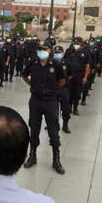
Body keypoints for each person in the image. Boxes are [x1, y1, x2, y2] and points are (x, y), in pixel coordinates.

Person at [22, 44, 66, 174]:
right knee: (34, 129)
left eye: (44, 50)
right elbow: (24, 76)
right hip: (35, 100)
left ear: (49, 51)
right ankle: (32, 156)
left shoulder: (56, 65)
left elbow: (62, 81)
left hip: (51, 102)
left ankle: (56, 159)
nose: (42, 53)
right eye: (39, 50)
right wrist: (33, 85)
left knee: (53, 130)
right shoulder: (32, 63)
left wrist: (53, 91)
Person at [53, 46, 73, 133]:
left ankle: (65, 125)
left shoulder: (67, 63)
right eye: (56, 53)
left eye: (59, 52)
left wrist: (65, 82)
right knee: (52, 109)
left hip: (64, 89)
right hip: (53, 89)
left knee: (65, 108)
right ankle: (53, 124)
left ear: (62, 53)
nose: (57, 54)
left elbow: (70, 75)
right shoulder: (50, 63)